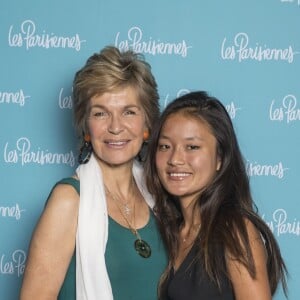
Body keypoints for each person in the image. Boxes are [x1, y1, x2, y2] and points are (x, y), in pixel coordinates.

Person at [20, 46, 167, 300]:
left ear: (147, 125)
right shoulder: (68, 200)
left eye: (129, 112)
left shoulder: (160, 196)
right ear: (86, 128)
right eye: (101, 113)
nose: (115, 127)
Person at [145, 91, 288, 300]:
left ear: (220, 158)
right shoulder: (170, 231)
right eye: (165, 146)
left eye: (192, 147)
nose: (175, 159)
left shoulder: (236, 230)